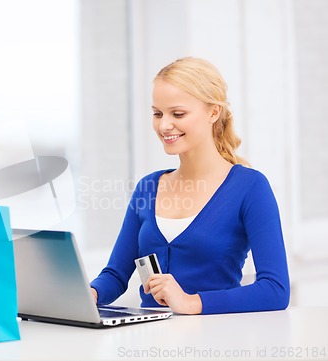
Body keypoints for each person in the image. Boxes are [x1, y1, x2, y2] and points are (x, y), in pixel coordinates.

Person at [89, 57, 290, 315]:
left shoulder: (250, 187)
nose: (164, 125)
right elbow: (116, 275)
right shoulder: (148, 187)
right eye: (157, 113)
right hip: (150, 343)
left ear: (213, 112)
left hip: (216, 342)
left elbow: (275, 289)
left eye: (178, 113)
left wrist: (191, 302)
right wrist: (90, 293)